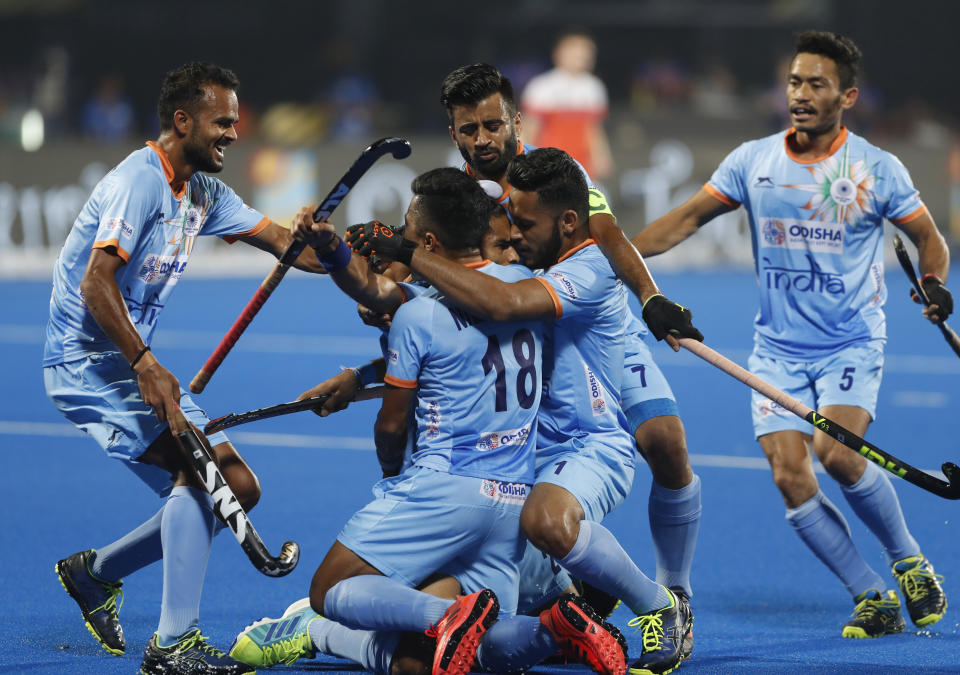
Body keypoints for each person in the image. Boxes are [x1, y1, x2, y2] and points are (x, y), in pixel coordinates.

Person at [632, 30, 951, 639]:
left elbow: (928, 237)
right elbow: (685, 220)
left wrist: (933, 282)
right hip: (775, 349)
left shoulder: (877, 168)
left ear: (848, 95)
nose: (801, 95)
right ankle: (870, 595)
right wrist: (609, 253)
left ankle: (909, 559)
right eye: (794, 82)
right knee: (788, 472)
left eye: (817, 84)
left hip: (851, 341)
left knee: (836, 454)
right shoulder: (752, 160)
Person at [349, 148, 695, 675]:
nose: (516, 232)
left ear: (569, 221)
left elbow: (501, 307)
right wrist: (361, 375)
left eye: (526, 223)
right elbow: (454, 347)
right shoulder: (523, 267)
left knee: (547, 520)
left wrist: (404, 250)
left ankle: (660, 605)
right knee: (443, 610)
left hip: (588, 446)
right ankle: (568, 605)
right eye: (511, 219)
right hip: (516, 462)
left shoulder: (589, 268)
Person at [45, 61, 328, 674]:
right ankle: (173, 645)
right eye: (221, 121)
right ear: (183, 120)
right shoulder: (139, 182)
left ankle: (94, 575)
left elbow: (289, 247)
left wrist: (331, 243)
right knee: (202, 483)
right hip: (88, 366)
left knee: (236, 488)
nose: (233, 131)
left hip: (131, 365)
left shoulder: (204, 191)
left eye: (235, 120)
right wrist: (145, 362)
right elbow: (97, 283)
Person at [440, 64, 701, 669]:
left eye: (491, 125)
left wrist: (650, 297)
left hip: (591, 323)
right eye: (467, 129)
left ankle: (672, 595)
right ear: (452, 132)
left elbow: (607, 234)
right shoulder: (456, 196)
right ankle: (575, 588)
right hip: (531, 338)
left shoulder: (557, 173)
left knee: (664, 443)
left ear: (514, 121)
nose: (482, 140)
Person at [521, 30, 614, 181]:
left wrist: (602, 156)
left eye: (587, 52)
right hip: (549, 166)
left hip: (583, 166)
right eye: (576, 52)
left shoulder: (594, 87)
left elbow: (594, 129)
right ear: (559, 54)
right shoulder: (541, 86)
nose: (582, 57)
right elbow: (529, 128)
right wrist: (527, 161)